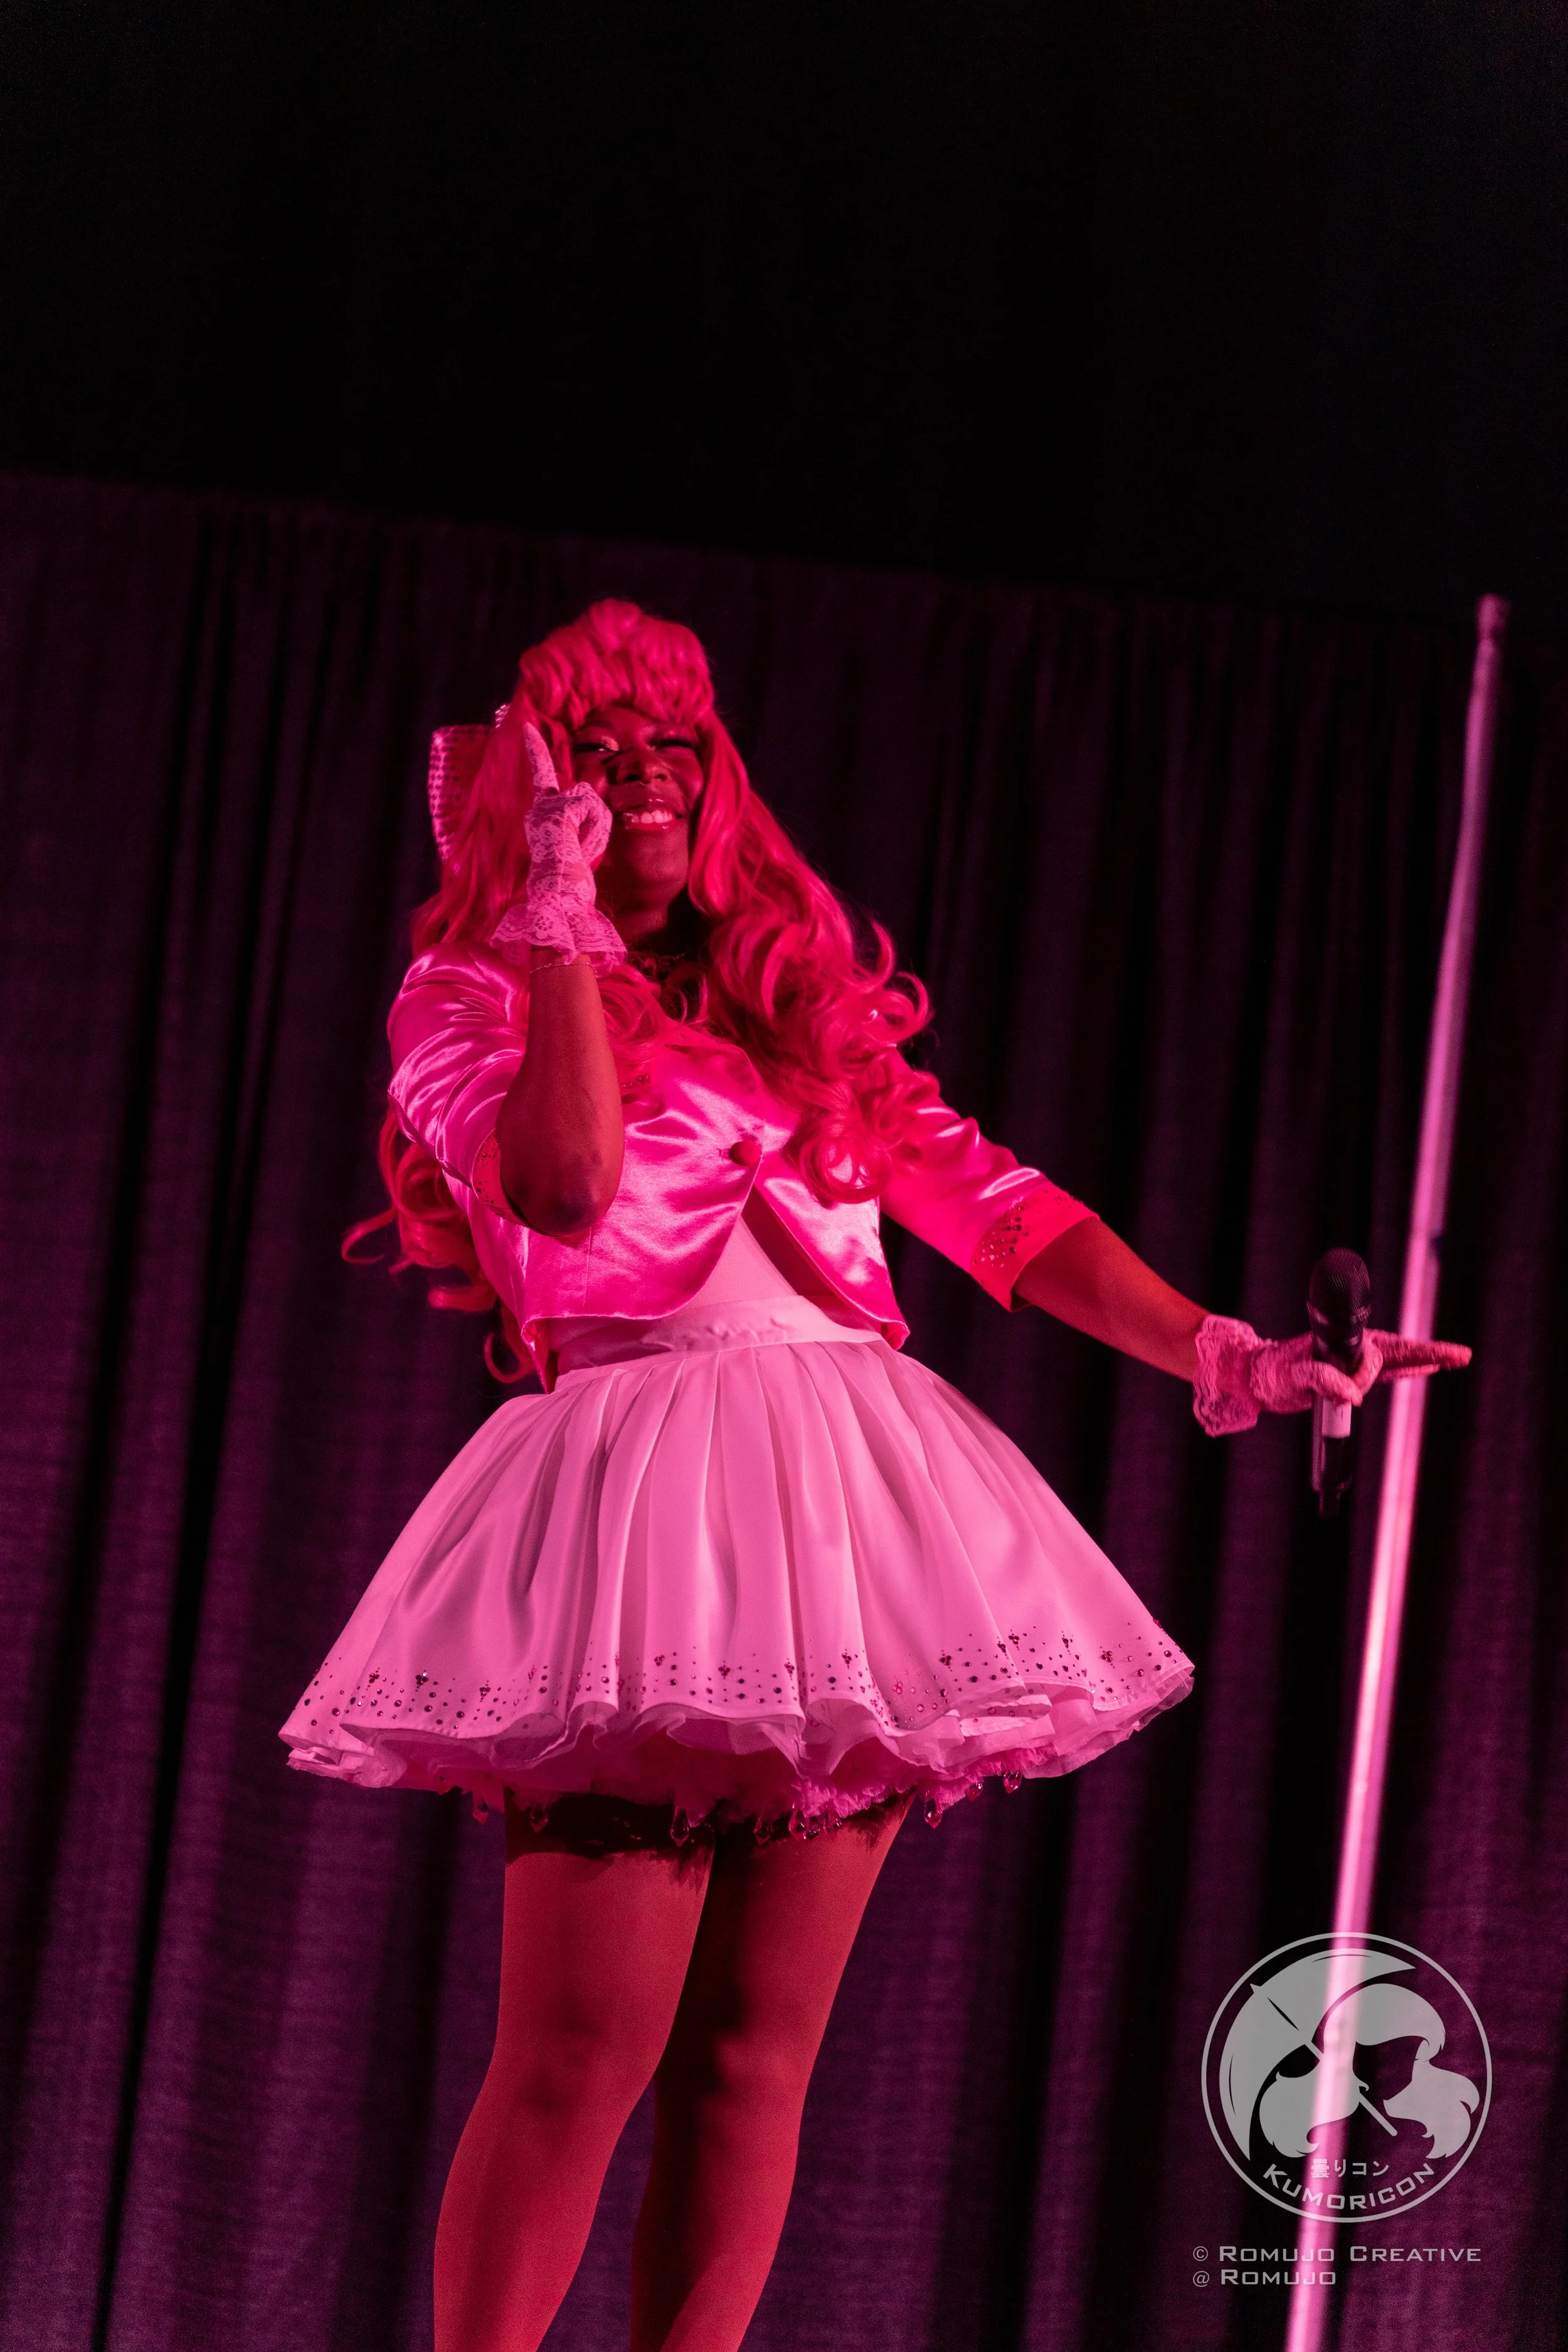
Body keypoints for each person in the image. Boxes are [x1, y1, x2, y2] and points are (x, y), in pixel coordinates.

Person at [280, 600, 1467, 2352]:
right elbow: (560, 1181)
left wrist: (1232, 1349)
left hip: (845, 1523)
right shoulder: (470, 990)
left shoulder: (792, 1010)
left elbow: (990, 1202)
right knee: (580, 2049)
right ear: (542, 795)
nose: (646, 784)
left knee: (756, 2057)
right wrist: (551, 908)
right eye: (599, 758)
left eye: (673, 746)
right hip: (638, 1508)